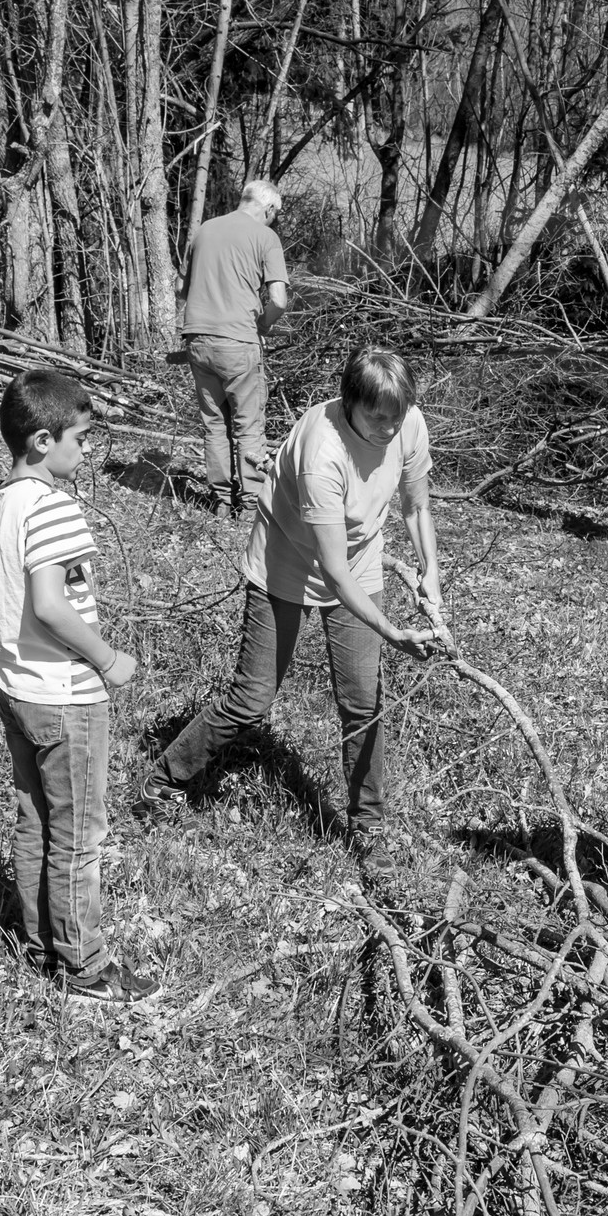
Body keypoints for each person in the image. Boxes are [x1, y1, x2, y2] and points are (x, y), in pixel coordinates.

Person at [134, 347, 444, 889]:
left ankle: (368, 827)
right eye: (377, 417)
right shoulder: (322, 453)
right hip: (288, 561)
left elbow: (416, 507)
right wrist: (394, 632)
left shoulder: (407, 422)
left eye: (397, 416)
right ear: (349, 404)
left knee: (363, 702)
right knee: (251, 699)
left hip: (358, 559)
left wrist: (429, 573)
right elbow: (333, 572)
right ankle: (165, 777)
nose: (390, 428)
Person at [0, 368, 157, 1002]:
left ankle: (39, 941)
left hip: (16, 685)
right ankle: (85, 966)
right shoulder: (53, 506)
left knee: (36, 821)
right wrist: (107, 659)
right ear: (42, 441)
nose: (86, 450)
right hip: (64, 694)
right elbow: (52, 605)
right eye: (79, 438)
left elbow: (11, 594)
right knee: (79, 835)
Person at [180, 178, 290, 515]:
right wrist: (263, 324)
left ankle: (222, 501)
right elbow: (279, 300)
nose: (273, 221)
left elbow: (184, 290)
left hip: (197, 339)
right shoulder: (265, 237)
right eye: (274, 215)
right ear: (268, 209)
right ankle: (251, 504)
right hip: (239, 342)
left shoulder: (204, 230)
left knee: (214, 423)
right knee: (248, 425)